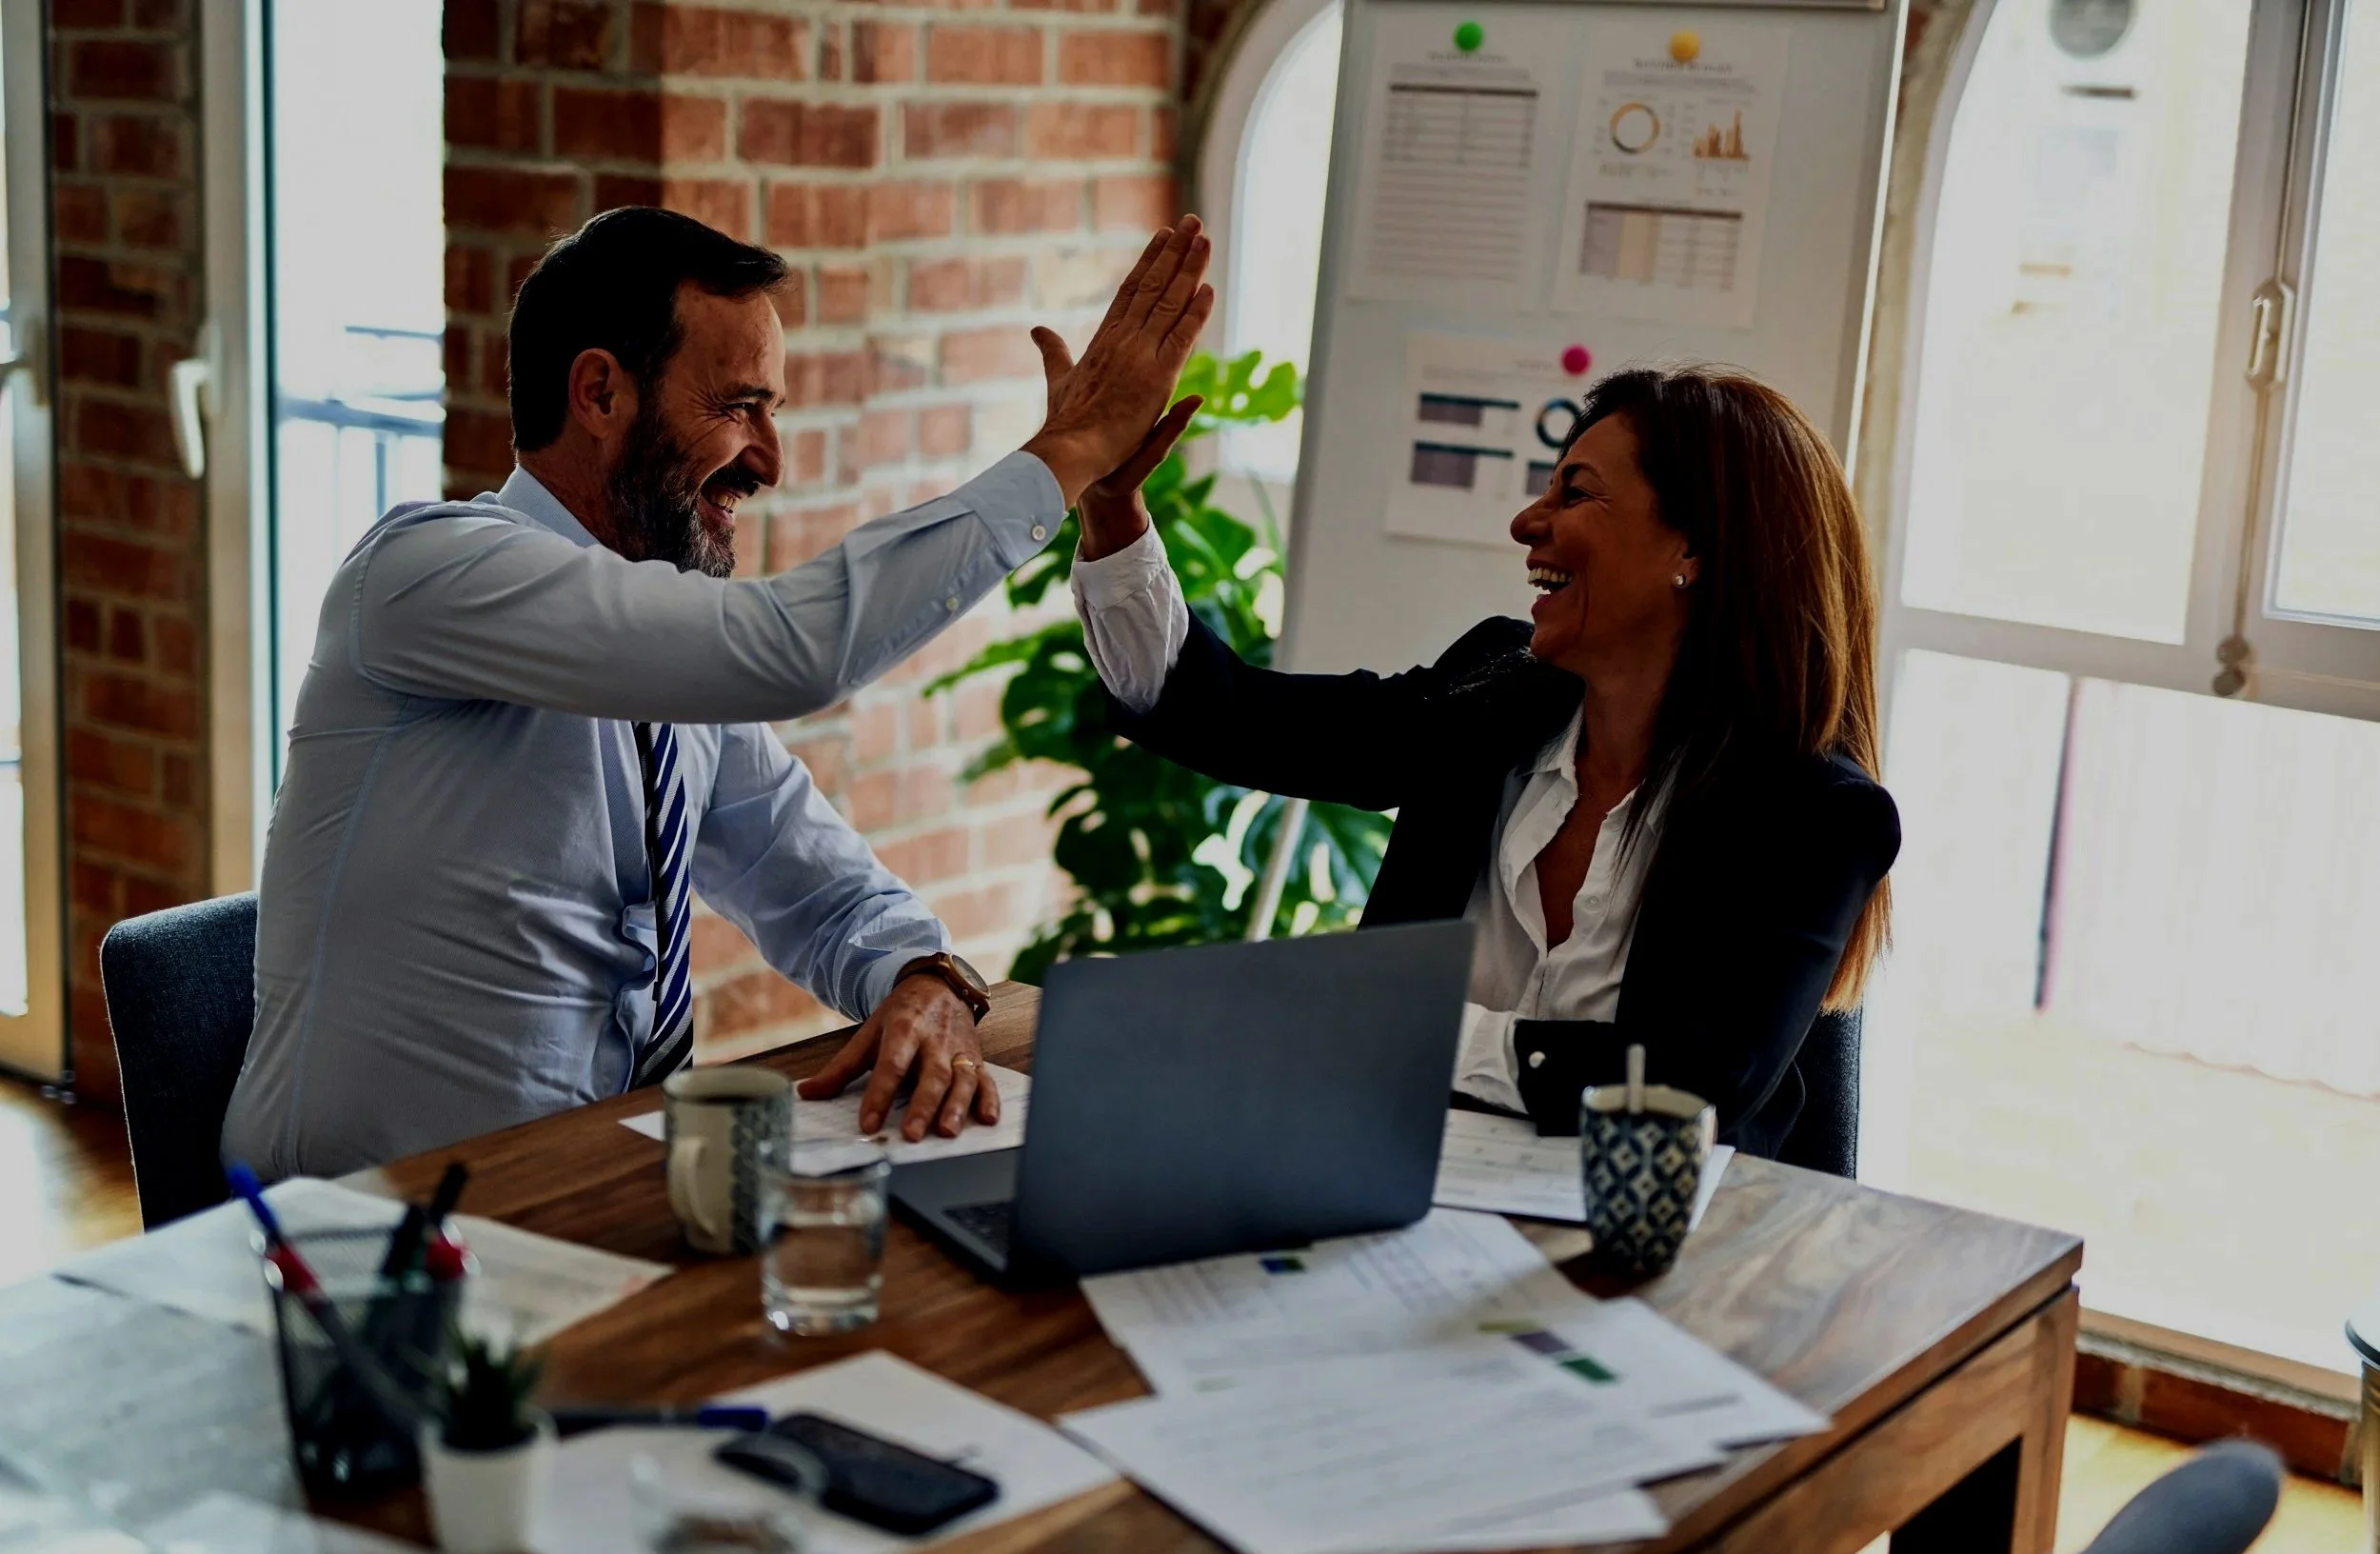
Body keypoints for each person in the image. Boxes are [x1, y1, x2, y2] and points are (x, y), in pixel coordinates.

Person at [222, 207, 1214, 1180]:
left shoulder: (666, 666)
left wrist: (924, 976)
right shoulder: (427, 573)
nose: (769, 462)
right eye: (740, 406)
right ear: (600, 394)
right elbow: (796, 649)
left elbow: (818, 885)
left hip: (590, 1196)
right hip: (361, 1239)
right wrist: (1070, 451)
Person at [1068, 366, 1898, 1158]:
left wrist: (1400, 1026)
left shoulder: (1814, 815)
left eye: (1574, 492)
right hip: (1393, 1199)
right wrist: (1112, 506)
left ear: (1694, 549)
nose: (1527, 522)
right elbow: (1232, 715)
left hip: (1652, 1267)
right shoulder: (1498, 690)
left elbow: (1683, 1087)